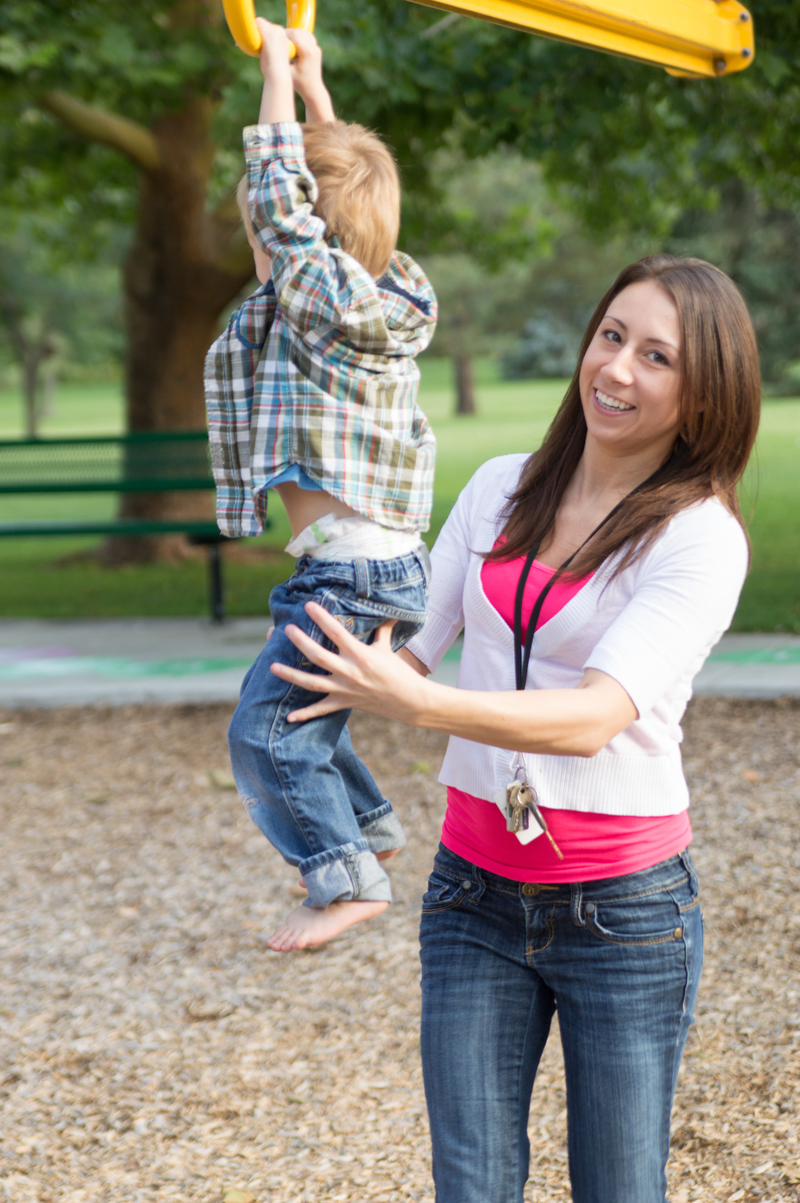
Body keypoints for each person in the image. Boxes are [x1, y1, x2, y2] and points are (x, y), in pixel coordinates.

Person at [267, 254, 761, 1202]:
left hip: (621, 910)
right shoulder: (500, 485)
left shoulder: (700, 535)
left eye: (657, 356)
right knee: (472, 1184)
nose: (616, 369)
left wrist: (421, 706)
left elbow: (593, 719)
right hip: (471, 894)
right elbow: (402, 651)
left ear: (704, 396)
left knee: (617, 1187)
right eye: (612, 337)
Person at [204, 19, 437, 952]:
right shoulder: (374, 297)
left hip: (352, 577)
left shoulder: (326, 304)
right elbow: (336, 208)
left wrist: (271, 77)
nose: (263, 249)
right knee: (307, 727)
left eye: (272, 235)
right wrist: (315, 88)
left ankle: (347, 876)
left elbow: (288, 210)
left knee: (262, 737)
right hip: (369, 568)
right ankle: (368, 831)